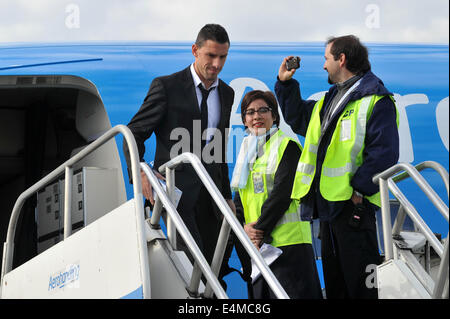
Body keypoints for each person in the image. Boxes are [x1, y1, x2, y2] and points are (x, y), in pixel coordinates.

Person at [274, 35, 399, 299]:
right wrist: (285, 84)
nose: (323, 66)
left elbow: (384, 154)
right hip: (330, 209)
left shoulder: (377, 100)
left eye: (326, 59)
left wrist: (358, 193)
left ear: (341, 59)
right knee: (336, 286)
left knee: (361, 288)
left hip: (353, 208)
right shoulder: (331, 99)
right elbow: (298, 118)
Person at [123, 24, 236, 288]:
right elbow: (134, 133)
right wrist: (140, 172)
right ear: (195, 51)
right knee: (192, 272)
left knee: (214, 271)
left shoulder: (227, 93)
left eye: (223, 57)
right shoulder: (166, 86)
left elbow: (219, 149)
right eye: (210, 56)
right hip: (174, 193)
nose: (217, 64)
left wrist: (227, 195)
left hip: (211, 198)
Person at [231, 90, 323, 299]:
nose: (256, 116)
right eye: (250, 112)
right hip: (260, 246)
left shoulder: (287, 146)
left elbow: (283, 193)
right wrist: (243, 228)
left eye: (263, 110)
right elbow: (240, 198)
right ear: (244, 120)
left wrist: (258, 229)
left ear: (274, 116)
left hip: (289, 246)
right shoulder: (247, 151)